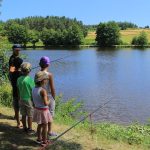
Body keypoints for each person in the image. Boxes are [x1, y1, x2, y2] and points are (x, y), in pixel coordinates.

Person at [32, 71, 52, 145]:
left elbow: (32, 99)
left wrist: (35, 105)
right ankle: (44, 141)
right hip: (44, 111)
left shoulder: (33, 88)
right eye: (46, 79)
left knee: (39, 125)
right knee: (45, 126)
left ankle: (38, 138)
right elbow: (45, 103)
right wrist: (49, 100)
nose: (47, 80)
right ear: (43, 80)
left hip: (37, 109)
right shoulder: (43, 91)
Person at [39, 56, 56, 136]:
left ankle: (42, 130)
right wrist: (54, 97)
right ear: (48, 65)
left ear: (40, 64)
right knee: (50, 113)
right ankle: (49, 131)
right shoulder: (49, 75)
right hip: (48, 96)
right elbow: (52, 88)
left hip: (40, 95)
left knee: (43, 113)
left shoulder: (37, 74)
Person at [17, 62, 35, 134]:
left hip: (21, 99)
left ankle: (24, 128)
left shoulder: (18, 79)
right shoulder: (30, 80)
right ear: (29, 71)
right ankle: (30, 129)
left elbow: (18, 90)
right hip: (28, 100)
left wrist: (19, 98)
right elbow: (33, 91)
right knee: (30, 115)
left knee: (23, 114)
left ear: (21, 70)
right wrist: (34, 101)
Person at [11, 57, 23, 128]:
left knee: (16, 108)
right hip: (20, 94)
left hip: (14, 92)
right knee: (22, 109)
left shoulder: (12, 73)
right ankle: (23, 123)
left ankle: (18, 122)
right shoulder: (20, 74)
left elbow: (12, 70)